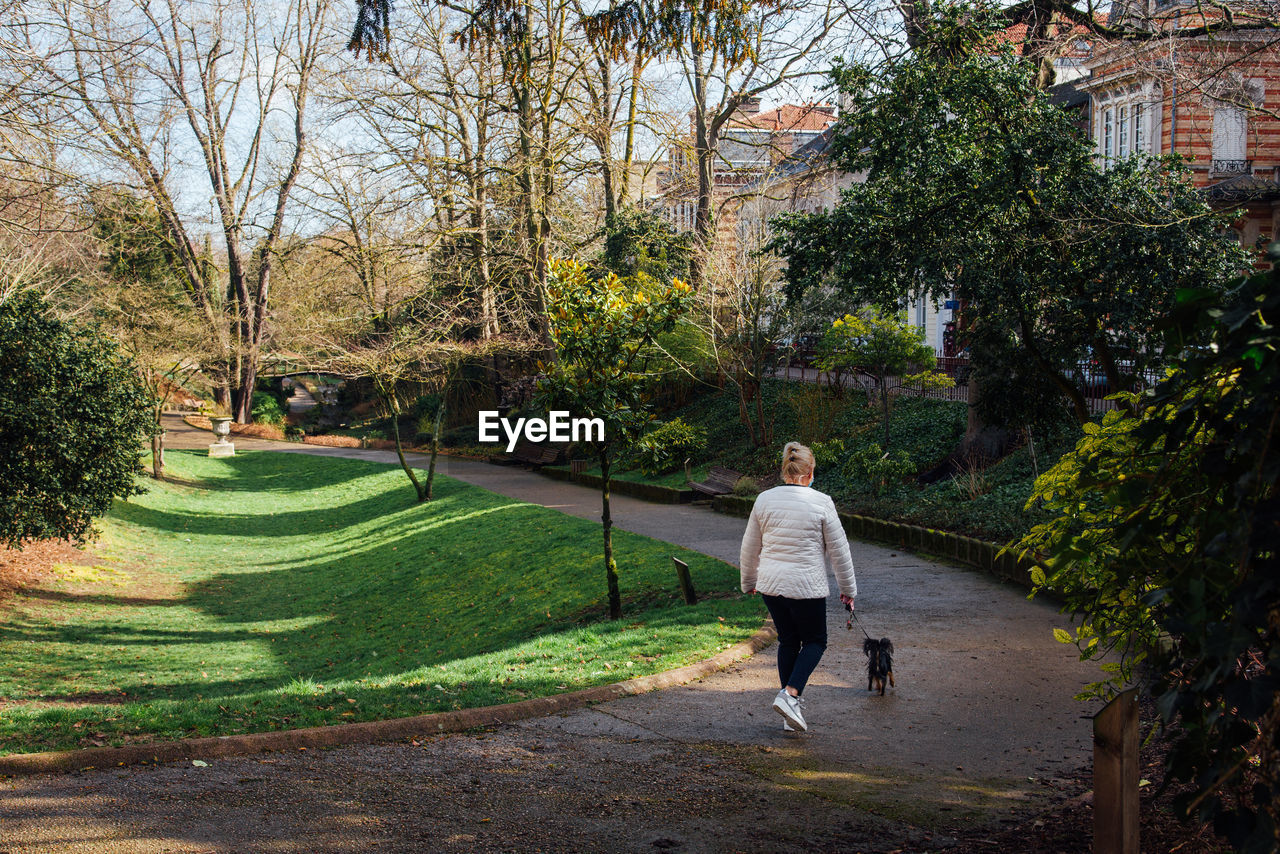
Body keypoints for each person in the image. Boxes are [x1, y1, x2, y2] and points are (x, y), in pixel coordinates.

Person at [739, 441, 856, 732]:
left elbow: (750, 546)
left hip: (771, 587)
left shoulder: (764, 499)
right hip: (806, 587)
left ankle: (789, 714)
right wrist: (848, 590)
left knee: (789, 641)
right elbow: (839, 551)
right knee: (816, 641)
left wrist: (749, 581)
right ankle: (790, 695)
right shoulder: (822, 502)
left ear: (784, 471)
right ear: (810, 471)